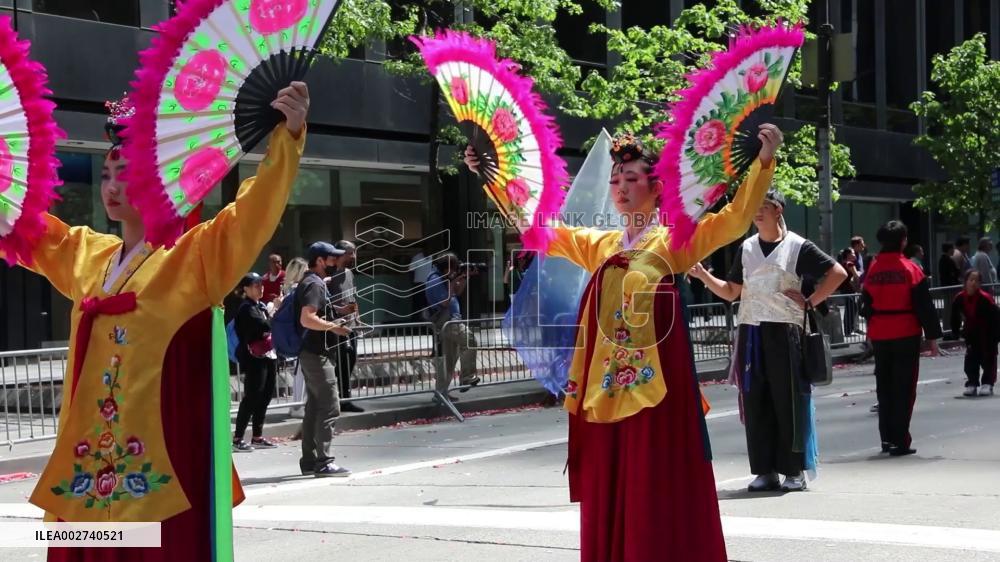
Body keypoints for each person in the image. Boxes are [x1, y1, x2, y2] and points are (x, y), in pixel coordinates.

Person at [4, 83, 310, 561]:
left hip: (160, 474)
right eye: (106, 174)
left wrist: (287, 138)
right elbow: (27, 227)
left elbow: (250, 215)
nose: (111, 185)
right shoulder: (88, 255)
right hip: (86, 475)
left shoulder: (194, 257)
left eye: (125, 173)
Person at [465, 123, 782, 561]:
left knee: (654, 476)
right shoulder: (600, 244)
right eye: (615, 181)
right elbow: (538, 230)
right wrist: (491, 178)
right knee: (613, 478)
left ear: (656, 188)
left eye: (631, 179)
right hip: (605, 388)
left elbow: (733, 219)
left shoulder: (675, 240)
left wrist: (764, 162)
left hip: (655, 390)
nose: (620, 188)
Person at [691, 190, 846, 493]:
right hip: (751, 332)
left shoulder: (798, 245)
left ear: (778, 210)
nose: (757, 213)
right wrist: (703, 276)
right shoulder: (746, 248)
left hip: (785, 332)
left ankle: (794, 471)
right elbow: (731, 291)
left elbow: (837, 272)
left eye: (764, 207)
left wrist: (810, 301)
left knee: (788, 400)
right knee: (756, 401)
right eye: (754, 208)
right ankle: (765, 471)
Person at [861, 220, 942, 457]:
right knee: (904, 389)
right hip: (905, 332)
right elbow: (924, 306)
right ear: (903, 241)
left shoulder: (873, 269)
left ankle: (886, 439)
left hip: (880, 333)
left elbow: (864, 306)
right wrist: (933, 338)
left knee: (884, 388)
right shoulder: (911, 269)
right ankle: (900, 440)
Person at [298, 241, 353, 477]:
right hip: (316, 354)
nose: (336, 262)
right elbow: (307, 318)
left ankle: (310, 460)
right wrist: (335, 327)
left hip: (311, 352)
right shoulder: (313, 284)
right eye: (332, 259)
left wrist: (339, 313)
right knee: (330, 406)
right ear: (320, 261)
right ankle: (324, 461)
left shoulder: (313, 282)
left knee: (314, 407)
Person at [424, 253, 481, 400]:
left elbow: (458, 291)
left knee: (449, 359)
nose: (455, 271)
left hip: (451, 320)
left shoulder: (442, 277)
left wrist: (464, 277)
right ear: (447, 267)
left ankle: (440, 394)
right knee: (469, 341)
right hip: (446, 320)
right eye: (454, 268)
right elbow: (445, 302)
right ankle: (467, 377)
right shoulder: (435, 280)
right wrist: (451, 282)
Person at [233, 273, 279, 452]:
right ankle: (237, 438)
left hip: (268, 355)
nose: (260, 288)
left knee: (265, 396)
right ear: (245, 288)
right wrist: (275, 310)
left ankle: (257, 436)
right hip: (254, 358)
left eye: (261, 284)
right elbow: (265, 326)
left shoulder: (260, 306)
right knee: (252, 397)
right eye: (255, 285)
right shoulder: (246, 308)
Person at [328, 240, 364, 413]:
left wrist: (358, 318)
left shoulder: (350, 273)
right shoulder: (329, 275)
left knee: (350, 361)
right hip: (336, 327)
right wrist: (340, 309)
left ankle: (345, 397)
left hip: (352, 326)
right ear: (341, 253)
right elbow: (322, 303)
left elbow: (353, 298)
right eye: (351, 252)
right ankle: (339, 400)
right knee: (340, 364)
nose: (354, 256)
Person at [951, 271, 1000, 396]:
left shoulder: (986, 299)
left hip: (987, 333)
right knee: (971, 359)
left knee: (988, 359)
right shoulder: (960, 298)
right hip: (971, 333)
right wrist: (955, 331)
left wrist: (996, 336)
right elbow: (954, 316)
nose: (973, 283)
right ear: (965, 281)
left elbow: (996, 318)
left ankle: (987, 383)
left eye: (976, 281)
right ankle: (972, 383)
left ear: (979, 284)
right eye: (971, 280)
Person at [280, 257, 309, 419]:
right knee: (301, 373)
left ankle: (297, 405)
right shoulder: (297, 290)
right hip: (299, 333)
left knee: (299, 372)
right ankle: (297, 406)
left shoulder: (288, 289)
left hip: (292, 334)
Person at [938, 242, 961, 339]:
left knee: (949, 309)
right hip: (950, 289)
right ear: (949, 249)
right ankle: (948, 331)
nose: (954, 251)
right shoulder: (947, 260)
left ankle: (948, 330)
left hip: (948, 288)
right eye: (952, 249)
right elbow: (955, 273)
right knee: (949, 310)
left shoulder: (943, 260)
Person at [838, 247, 861, 336]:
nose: (854, 255)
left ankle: (849, 330)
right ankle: (848, 331)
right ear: (848, 255)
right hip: (848, 290)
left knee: (851, 308)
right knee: (851, 309)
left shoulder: (843, 263)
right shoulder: (850, 264)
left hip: (845, 290)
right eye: (853, 253)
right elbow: (856, 276)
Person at [410, 249, 433, 321]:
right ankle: (416, 325)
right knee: (418, 306)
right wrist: (413, 284)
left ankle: (428, 325)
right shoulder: (416, 258)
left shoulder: (432, 257)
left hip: (429, 285)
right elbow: (411, 271)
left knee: (429, 306)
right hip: (419, 285)